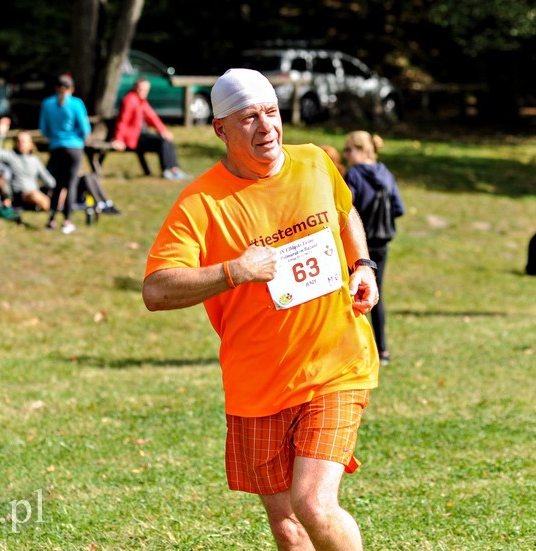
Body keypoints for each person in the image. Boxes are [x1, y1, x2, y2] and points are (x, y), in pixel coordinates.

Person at [142, 68, 379, 550]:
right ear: (220, 129)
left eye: (271, 112)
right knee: (289, 527)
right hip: (257, 384)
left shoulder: (314, 162)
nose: (267, 127)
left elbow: (344, 211)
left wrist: (363, 265)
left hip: (336, 364)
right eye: (249, 118)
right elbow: (156, 290)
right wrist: (235, 271)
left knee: (314, 503)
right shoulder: (201, 203)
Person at [342, 130, 406, 366]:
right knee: (375, 292)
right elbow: (399, 208)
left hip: (358, 245)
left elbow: (344, 208)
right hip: (382, 244)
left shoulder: (354, 175)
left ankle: (353, 349)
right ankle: (382, 350)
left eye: (348, 150)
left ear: (360, 150)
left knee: (351, 293)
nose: (345, 155)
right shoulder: (385, 172)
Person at [39, 73, 91, 234]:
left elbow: (44, 129)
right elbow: (85, 129)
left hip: (56, 148)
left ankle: (52, 219)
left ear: (56, 88)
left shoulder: (47, 103)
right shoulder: (76, 103)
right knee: (71, 184)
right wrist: (76, 139)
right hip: (74, 148)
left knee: (57, 184)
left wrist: (56, 138)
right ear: (72, 89)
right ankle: (67, 221)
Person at [110, 77, 190, 181]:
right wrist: (118, 139)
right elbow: (122, 121)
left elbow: (152, 117)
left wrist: (163, 131)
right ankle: (167, 170)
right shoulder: (130, 100)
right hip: (133, 138)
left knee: (166, 139)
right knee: (162, 142)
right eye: (141, 89)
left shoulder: (141, 101)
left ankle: (174, 169)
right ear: (135, 88)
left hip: (140, 135)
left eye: (146, 90)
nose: (143, 92)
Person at [0, 117, 55, 212]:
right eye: (18, 141)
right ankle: (48, 206)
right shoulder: (11, 156)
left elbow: (48, 179)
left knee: (40, 195)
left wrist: (58, 188)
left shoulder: (35, 160)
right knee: (35, 196)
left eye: (24, 141)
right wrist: (1, 134)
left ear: (30, 143)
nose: (21, 143)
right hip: (19, 195)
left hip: (35, 191)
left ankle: (47, 205)